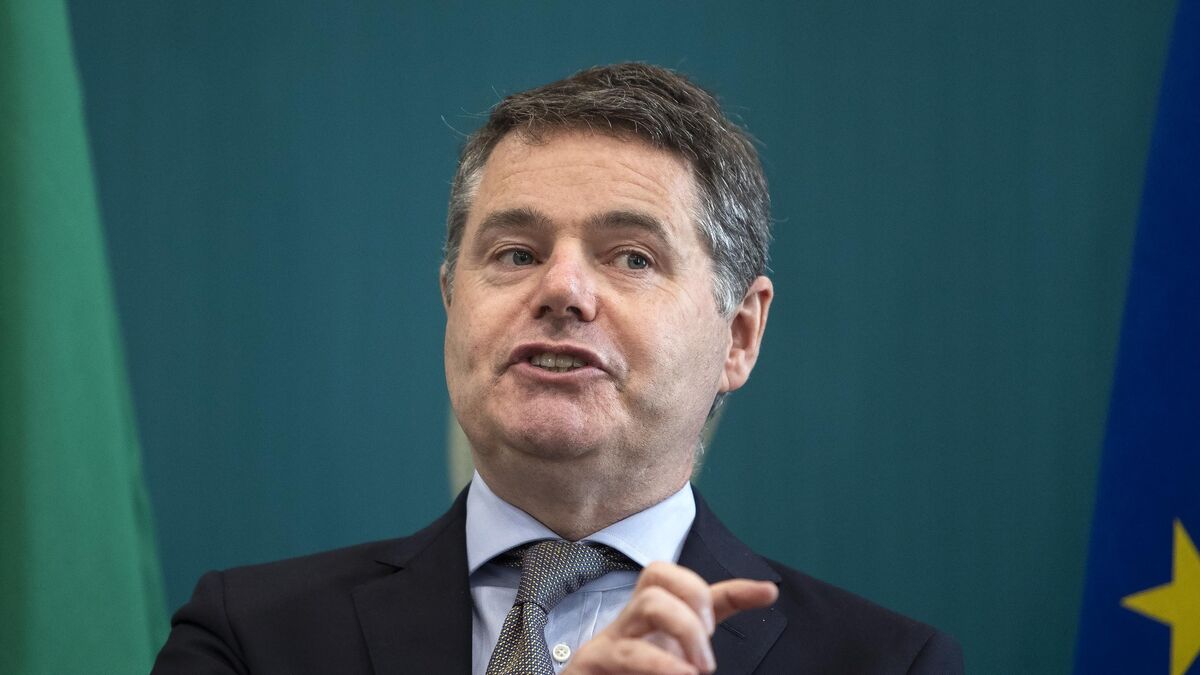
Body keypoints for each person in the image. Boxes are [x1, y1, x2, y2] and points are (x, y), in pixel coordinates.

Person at [152, 63, 964, 674]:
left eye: (632, 257)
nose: (563, 290)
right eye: (517, 252)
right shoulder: (249, 637)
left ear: (739, 335)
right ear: (451, 301)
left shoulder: (889, 664)